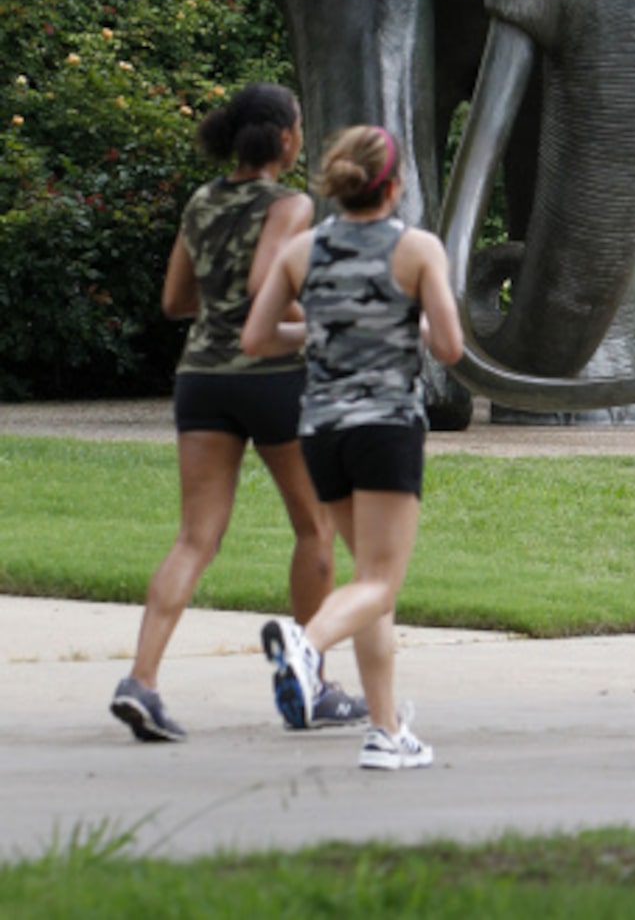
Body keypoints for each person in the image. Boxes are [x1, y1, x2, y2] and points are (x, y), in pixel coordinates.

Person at [110, 83, 364, 742]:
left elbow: (174, 299)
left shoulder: (202, 200)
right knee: (314, 527)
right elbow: (265, 292)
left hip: (202, 378)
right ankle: (311, 683)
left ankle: (141, 680)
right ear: (284, 138)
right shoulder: (290, 203)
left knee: (195, 537)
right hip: (272, 378)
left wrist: (230, 307)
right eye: (300, 126)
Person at [241, 123, 465, 770]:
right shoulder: (417, 249)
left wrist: (325, 328)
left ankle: (387, 731)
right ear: (393, 185)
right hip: (385, 427)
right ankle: (304, 645)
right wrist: (412, 321)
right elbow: (449, 348)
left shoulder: (300, 252)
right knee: (378, 581)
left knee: (371, 585)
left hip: (320, 432)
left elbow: (257, 339)